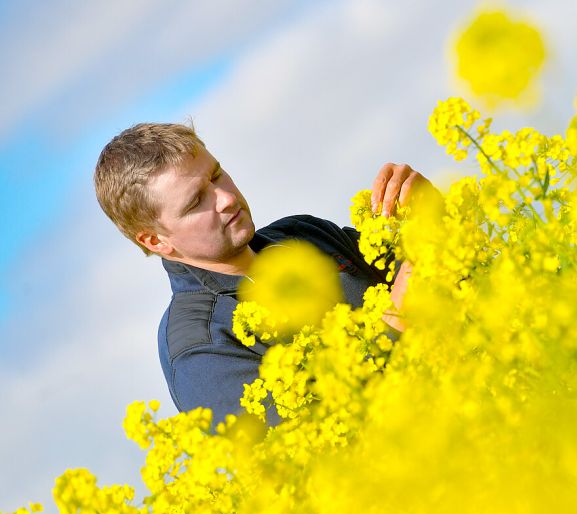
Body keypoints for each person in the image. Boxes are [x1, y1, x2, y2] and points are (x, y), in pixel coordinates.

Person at [93, 122, 429, 423]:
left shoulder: (303, 234)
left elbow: (436, 277)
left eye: (216, 175)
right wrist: (396, 323)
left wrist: (429, 216)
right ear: (156, 240)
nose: (225, 197)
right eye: (196, 202)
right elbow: (311, 458)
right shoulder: (202, 351)